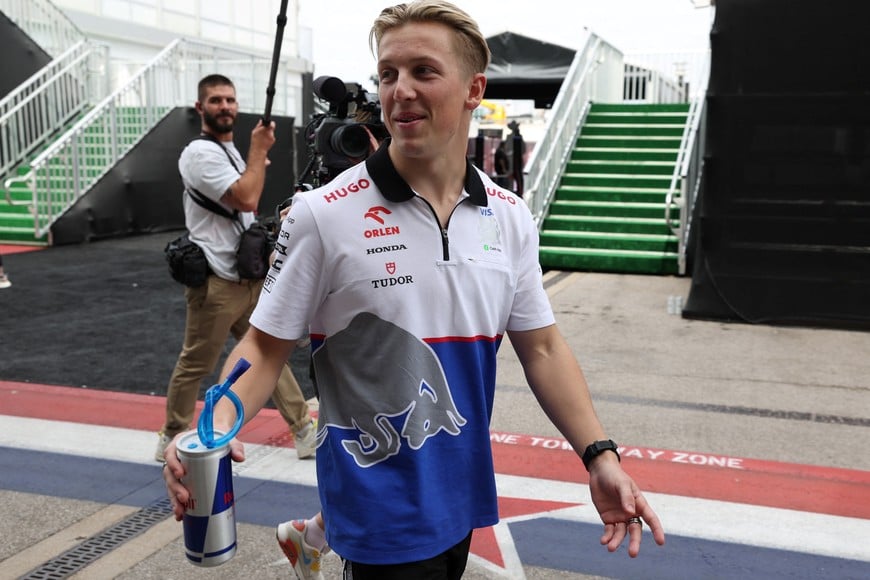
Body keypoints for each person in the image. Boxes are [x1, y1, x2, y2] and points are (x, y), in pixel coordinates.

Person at [163, 3, 666, 578]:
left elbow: (543, 348)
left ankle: (309, 541)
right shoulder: (322, 213)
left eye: (424, 71)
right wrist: (208, 427)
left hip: (463, 495)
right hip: (377, 514)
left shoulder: (510, 217)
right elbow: (264, 346)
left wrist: (600, 456)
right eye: (388, 74)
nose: (400, 90)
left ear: (474, 88)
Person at [155, 74, 316, 463]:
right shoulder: (200, 154)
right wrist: (258, 150)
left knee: (268, 351)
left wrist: (253, 154)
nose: (225, 106)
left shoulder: (227, 151)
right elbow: (247, 197)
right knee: (196, 362)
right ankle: (172, 436)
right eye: (215, 100)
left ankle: (303, 430)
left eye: (229, 99)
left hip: (245, 276)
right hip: (216, 280)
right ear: (200, 108)